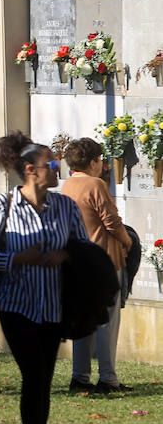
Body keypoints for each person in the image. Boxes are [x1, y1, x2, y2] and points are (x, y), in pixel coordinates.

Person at [0, 132, 87, 424]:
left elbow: (85, 250)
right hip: (16, 306)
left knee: (43, 378)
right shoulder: (3, 206)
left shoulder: (65, 206)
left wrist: (66, 254)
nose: (58, 168)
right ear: (31, 170)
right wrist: (16, 258)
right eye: (51, 163)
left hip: (53, 308)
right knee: (34, 374)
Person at [60, 137, 133, 393]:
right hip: (103, 259)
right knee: (106, 322)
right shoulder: (96, 185)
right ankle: (108, 378)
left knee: (83, 320)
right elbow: (111, 222)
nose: (102, 165)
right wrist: (127, 241)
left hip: (77, 261)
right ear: (92, 162)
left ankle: (79, 377)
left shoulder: (67, 185)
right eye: (101, 160)